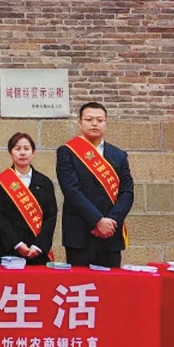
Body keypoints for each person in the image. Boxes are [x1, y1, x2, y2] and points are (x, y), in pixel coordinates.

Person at [56, 102, 134, 268]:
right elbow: (71, 190)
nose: (94, 123)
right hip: (80, 234)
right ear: (80, 123)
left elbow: (127, 192)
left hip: (111, 234)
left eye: (99, 120)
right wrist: (98, 220)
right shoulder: (67, 152)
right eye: (89, 119)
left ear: (106, 123)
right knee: (80, 283)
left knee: (111, 283)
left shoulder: (119, 155)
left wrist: (112, 220)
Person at [0, 132, 57, 265]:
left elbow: (50, 217)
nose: (22, 153)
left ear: (33, 153)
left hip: (38, 251)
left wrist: (38, 246)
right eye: (17, 149)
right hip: (11, 250)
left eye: (26, 149)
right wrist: (17, 244)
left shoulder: (45, 182)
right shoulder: (1, 182)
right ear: (10, 153)